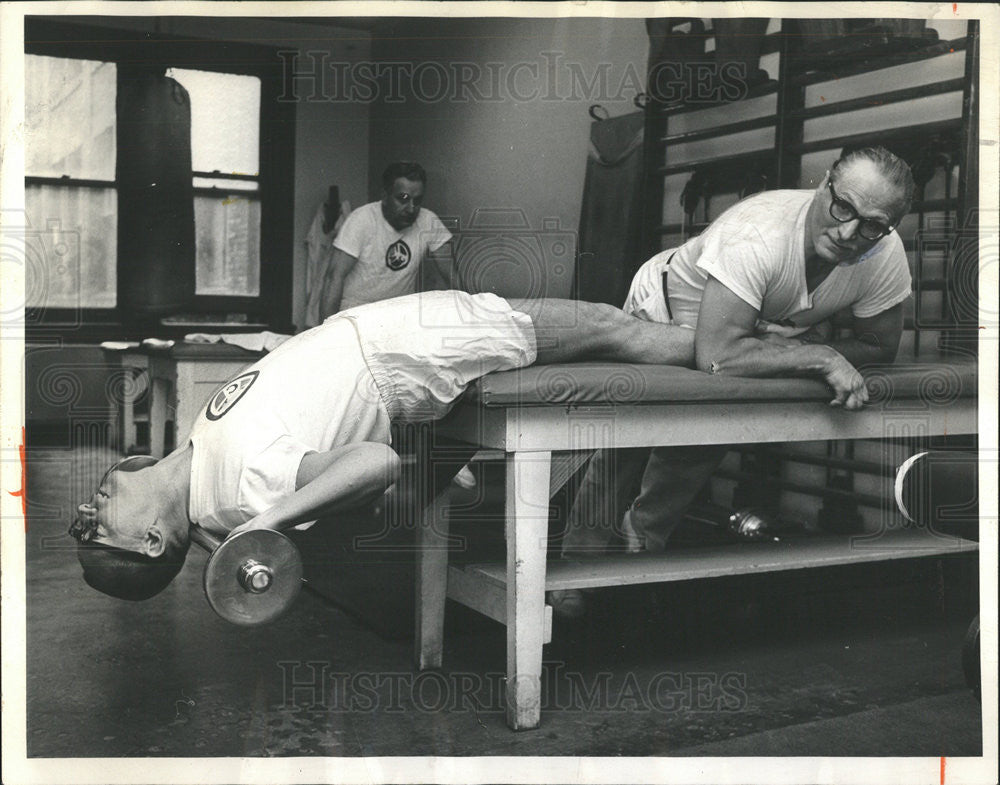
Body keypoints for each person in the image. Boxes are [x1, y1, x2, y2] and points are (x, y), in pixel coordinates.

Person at [71, 290, 697, 602]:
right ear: (152, 538)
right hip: (399, 350)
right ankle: (729, 346)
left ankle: (447, 467)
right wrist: (265, 525)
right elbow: (376, 461)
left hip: (375, 341)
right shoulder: (241, 492)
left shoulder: (200, 478)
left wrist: (232, 539)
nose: (86, 515)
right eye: (95, 532)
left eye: (83, 524)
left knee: (609, 331)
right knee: (613, 330)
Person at [551, 146, 915, 618]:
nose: (849, 232)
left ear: (889, 227)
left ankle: (639, 548)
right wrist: (816, 355)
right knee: (627, 438)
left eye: (871, 224)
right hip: (664, 315)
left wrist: (792, 352)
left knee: (703, 435)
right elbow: (719, 358)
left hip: (753, 331)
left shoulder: (884, 252)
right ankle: (577, 569)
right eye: (842, 206)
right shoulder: (757, 232)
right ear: (823, 185)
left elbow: (879, 345)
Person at [318, 162, 456, 319]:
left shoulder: (428, 220)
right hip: (355, 312)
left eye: (417, 200)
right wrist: (325, 331)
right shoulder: (362, 219)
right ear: (385, 196)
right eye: (403, 199)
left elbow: (452, 275)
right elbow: (334, 277)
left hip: (396, 314)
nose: (411, 208)